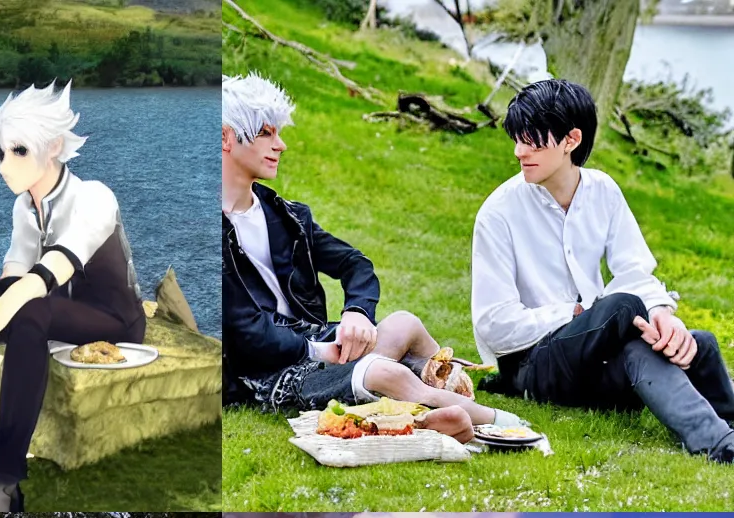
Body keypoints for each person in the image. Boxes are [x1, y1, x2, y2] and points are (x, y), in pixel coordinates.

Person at [222, 74, 516, 441]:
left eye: (278, 133)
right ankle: (499, 425)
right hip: (264, 373)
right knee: (383, 372)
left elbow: (354, 264)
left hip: (317, 344)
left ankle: (434, 394)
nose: (280, 145)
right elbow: (244, 334)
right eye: (266, 134)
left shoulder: (286, 216)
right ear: (225, 137)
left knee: (405, 324)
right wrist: (321, 350)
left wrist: (356, 313)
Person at [0, 82, 147, 514]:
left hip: (114, 319)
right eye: (1, 154)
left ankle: (4, 480)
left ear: (53, 145)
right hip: (52, 315)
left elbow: (34, 287)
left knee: (18, 315)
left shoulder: (94, 198)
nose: (4, 166)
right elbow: (10, 284)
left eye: (17, 151)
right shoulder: (25, 209)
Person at [472, 79, 734, 462]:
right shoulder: (497, 214)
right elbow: (494, 325)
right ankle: (719, 447)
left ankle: (726, 430)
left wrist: (661, 315)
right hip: (530, 365)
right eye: (517, 140)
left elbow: (633, 268)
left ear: (571, 140)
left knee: (699, 343)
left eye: (533, 142)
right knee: (622, 307)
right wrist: (576, 313)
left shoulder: (603, 191)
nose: (519, 151)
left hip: (594, 355)